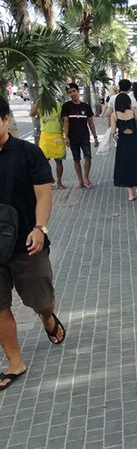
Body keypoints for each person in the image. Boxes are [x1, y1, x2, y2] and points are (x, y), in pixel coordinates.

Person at [0, 95, 65, 392]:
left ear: (5, 119)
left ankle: (47, 317)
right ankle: (15, 361)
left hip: (27, 243)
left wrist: (40, 228)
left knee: (41, 300)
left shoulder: (28, 153)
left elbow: (43, 194)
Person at [61, 82, 99, 188]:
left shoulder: (86, 106)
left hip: (84, 136)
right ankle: (80, 180)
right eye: (70, 92)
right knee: (76, 159)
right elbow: (66, 122)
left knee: (88, 156)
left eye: (74, 91)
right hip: (73, 137)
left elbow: (91, 122)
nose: (72, 94)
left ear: (78, 91)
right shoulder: (66, 106)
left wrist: (95, 137)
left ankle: (86, 178)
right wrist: (66, 137)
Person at [111, 93, 137, 201]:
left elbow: (113, 132)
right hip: (135, 141)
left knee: (125, 165)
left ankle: (130, 194)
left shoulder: (114, 115)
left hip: (123, 143)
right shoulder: (133, 111)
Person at [30, 100, 66, 189]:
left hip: (57, 134)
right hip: (45, 135)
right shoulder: (41, 105)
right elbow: (32, 114)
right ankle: (50, 181)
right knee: (44, 161)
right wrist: (37, 103)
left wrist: (66, 135)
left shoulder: (58, 104)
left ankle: (59, 182)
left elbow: (63, 119)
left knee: (59, 161)